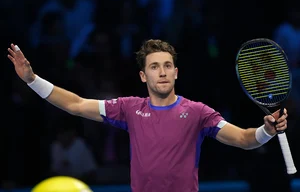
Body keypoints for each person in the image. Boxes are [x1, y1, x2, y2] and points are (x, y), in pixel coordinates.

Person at [7, 39, 288, 192]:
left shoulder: (198, 112)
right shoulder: (129, 108)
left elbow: (243, 138)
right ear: (143, 75)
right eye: (154, 67)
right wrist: (32, 79)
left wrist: (266, 131)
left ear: (176, 72)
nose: (162, 71)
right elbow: (76, 104)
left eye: (168, 65)